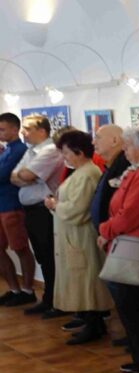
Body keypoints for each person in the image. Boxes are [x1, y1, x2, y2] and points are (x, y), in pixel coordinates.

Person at [97, 127, 139, 373]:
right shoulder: (138, 172)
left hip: (132, 246)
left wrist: (105, 230)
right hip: (129, 242)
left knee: (133, 307)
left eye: (128, 146)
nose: (124, 150)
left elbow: (131, 214)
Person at [47, 130, 113, 344]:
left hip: (81, 235)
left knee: (87, 280)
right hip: (73, 234)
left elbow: (78, 209)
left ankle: (94, 324)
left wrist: (55, 205)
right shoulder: (81, 172)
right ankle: (90, 321)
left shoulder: (87, 174)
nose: (64, 157)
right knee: (81, 279)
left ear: (79, 152)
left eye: (67, 152)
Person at [10, 114, 65, 317]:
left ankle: (57, 301)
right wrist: (26, 177)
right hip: (32, 211)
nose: (23, 132)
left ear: (42, 131)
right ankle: (49, 298)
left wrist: (27, 176)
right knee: (43, 256)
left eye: (27, 129)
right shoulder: (31, 151)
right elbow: (14, 177)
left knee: (50, 257)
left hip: (45, 211)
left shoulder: (50, 150)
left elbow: (26, 175)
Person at [0, 113, 35, 307]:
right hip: (2, 204)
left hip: (12, 205)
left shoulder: (20, 150)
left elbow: (3, 175)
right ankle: (14, 289)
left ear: (15, 129)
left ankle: (28, 290)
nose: (0, 133)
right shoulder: (7, 150)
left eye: (2, 129)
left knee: (20, 247)